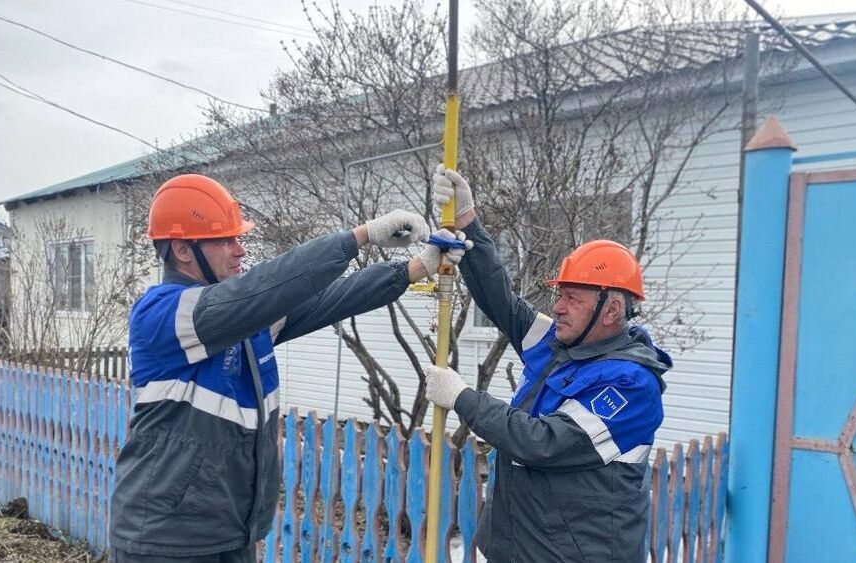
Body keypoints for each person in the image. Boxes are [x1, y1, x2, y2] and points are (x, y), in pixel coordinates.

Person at [108, 173, 464, 562]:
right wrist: (357, 237)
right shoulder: (162, 314)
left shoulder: (240, 316)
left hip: (229, 531)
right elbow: (263, 289)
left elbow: (330, 299)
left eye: (238, 238)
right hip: (166, 539)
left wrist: (412, 269)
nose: (240, 250)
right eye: (225, 240)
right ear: (181, 249)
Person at [425, 166, 672, 563]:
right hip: (514, 549)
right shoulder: (561, 345)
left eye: (572, 298)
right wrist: (468, 226)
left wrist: (462, 397)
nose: (557, 307)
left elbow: (540, 442)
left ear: (611, 309)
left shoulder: (632, 386)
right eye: (560, 295)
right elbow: (503, 303)